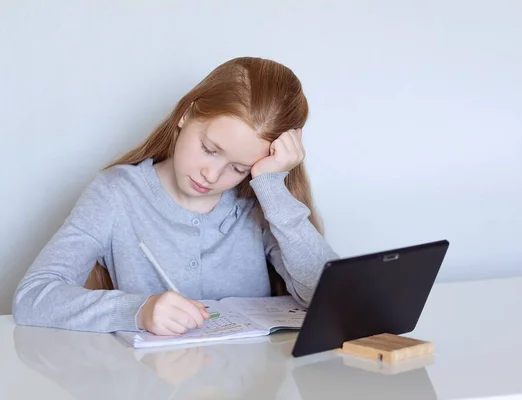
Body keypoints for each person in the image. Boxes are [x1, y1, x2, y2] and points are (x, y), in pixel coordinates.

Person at [12, 56, 338, 336]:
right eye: (209, 149)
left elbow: (330, 298)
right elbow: (32, 296)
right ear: (186, 114)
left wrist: (272, 187)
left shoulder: (258, 202)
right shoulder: (118, 193)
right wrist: (138, 310)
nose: (211, 176)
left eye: (239, 168)